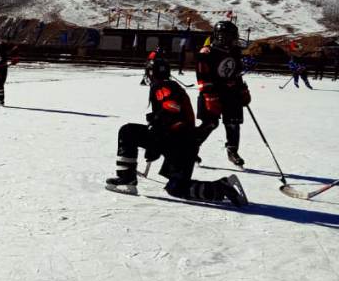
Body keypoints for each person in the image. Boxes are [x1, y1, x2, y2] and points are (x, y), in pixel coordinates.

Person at [106, 52, 247, 206]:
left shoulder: (162, 87)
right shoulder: (172, 86)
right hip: (185, 144)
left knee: (127, 132)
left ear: (151, 73)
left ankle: (126, 180)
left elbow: (172, 108)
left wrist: (155, 132)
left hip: (177, 141)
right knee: (177, 189)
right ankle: (222, 187)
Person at [195, 20, 251, 167]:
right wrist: (209, 96)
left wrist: (243, 90)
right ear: (222, 36)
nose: (235, 38)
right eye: (232, 35)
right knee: (210, 123)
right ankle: (191, 148)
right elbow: (202, 76)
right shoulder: (207, 53)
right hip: (212, 93)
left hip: (231, 92)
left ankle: (232, 150)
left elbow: (236, 73)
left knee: (233, 123)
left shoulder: (234, 51)